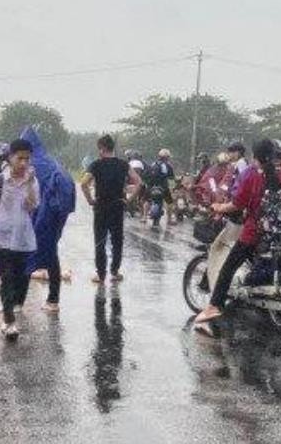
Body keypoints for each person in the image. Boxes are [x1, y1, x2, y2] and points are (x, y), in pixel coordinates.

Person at [194, 138, 281, 325]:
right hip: (279, 231)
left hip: (254, 231)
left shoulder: (250, 174)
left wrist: (219, 207)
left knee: (228, 267)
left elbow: (237, 204)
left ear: (254, 155)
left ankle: (214, 306)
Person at [0, 138, 41, 340]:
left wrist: (27, 185)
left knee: (21, 279)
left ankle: (13, 305)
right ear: (10, 158)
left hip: (24, 239)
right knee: (7, 279)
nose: (24, 163)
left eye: (27, 159)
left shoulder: (33, 181)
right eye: (20, 158)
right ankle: (8, 321)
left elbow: (31, 206)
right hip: (2, 237)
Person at [22, 126, 76, 313]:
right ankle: (53, 299)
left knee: (28, 251)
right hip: (59, 210)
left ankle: (15, 302)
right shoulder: (50, 160)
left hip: (47, 209)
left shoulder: (31, 162)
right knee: (50, 249)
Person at [81, 135, 140, 286]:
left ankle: (101, 274)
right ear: (112, 147)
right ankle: (114, 271)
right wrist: (129, 199)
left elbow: (83, 183)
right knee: (117, 240)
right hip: (118, 205)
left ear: (101, 148)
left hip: (101, 206)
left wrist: (90, 200)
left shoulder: (96, 165)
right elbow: (139, 182)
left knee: (100, 240)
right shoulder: (123, 165)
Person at [144, 148, 178, 225]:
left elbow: (146, 175)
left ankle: (144, 217)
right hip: (163, 187)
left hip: (151, 187)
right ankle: (169, 219)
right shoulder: (167, 166)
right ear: (167, 157)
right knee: (170, 202)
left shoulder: (152, 164)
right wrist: (174, 185)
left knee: (146, 200)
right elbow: (171, 178)